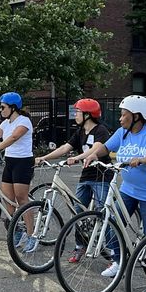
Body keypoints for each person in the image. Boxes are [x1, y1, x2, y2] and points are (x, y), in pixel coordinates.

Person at [72, 95, 146, 292]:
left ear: (136, 116)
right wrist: (92, 154)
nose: (120, 118)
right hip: (128, 190)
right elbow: (106, 147)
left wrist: (143, 160)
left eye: (124, 114)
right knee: (112, 224)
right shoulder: (122, 132)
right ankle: (119, 261)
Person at [37, 98, 110, 263]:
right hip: (86, 177)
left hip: (101, 177)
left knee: (102, 213)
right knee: (78, 212)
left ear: (87, 115)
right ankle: (80, 246)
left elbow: (96, 149)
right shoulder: (80, 132)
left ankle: (111, 251)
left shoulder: (101, 130)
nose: (75, 114)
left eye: (78, 112)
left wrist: (76, 158)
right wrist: (44, 157)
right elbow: (65, 148)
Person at [0, 92, 36, 252]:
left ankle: (32, 235)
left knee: (22, 199)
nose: (0, 110)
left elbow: (14, 138)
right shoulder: (5, 123)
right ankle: (17, 230)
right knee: (9, 200)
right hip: (10, 162)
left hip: (23, 162)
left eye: (3, 107)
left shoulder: (24, 121)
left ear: (13, 107)